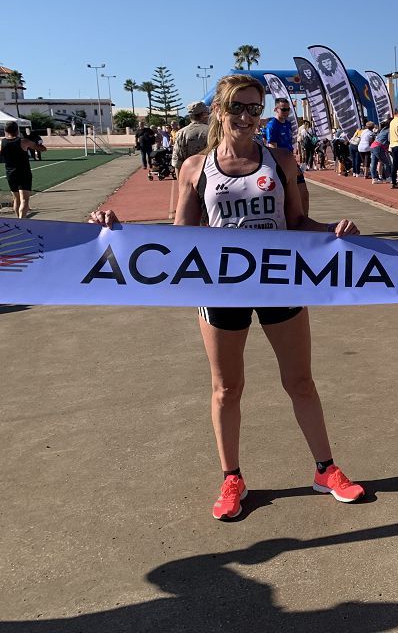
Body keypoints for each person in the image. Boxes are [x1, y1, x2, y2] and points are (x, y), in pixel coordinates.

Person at [89, 74, 365, 520]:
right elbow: (181, 238)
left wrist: (334, 230)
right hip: (219, 290)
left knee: (300, 381)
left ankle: (325, 469)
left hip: (280, 283)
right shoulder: (196, 168)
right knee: (226, 388)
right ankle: (231, 477)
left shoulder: (280, 160)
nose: (246, 116)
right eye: (237, 106)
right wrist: (118, 232)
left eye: (255, 108)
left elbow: (297, 222)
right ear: (219, 109)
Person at [264, 99, 309, 214]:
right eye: (283, 109)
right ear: (275, 110)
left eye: (288, 109)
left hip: (291, 162)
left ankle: (305, 222)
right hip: (281, 165)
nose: (286, 112)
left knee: (304, 195)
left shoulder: (288, 123)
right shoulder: (272, 125)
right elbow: (273, 148)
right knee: (287, 199)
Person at [2, 121, 46, 218]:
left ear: (5, 130)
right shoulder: (23, 141)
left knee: (16, 198)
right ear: (17, 130)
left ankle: (18, 220)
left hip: (10, 173)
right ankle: (22, 221)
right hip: (23, 172)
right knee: (24, 199)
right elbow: (41, 148)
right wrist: (39, 144)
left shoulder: (2, 142)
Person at [172, 101, 211, 174]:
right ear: (203, 114)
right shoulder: (212, 131)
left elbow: (177, 163)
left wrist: (181, 184)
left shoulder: (181, 133)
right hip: (210, 176)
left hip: (189, 175)